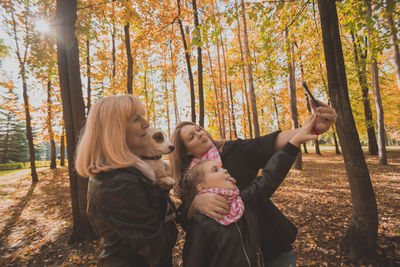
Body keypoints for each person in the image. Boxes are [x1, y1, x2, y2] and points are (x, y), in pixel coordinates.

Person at [170, 101, 337, 266]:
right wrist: (195, 204)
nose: (199, 133)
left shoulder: (233, 150)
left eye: (198, 129)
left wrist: (311, 128)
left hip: (272, 244)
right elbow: (186, 221)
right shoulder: (189, 180)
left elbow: (269, 146)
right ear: (186, 151)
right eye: (192, 136)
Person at [75, 95, 177, 267]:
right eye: (136, 119)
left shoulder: (127, 173)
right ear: (115, 131)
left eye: (144, 116)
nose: (146, 123)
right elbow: (158, 247)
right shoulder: (118, 183)